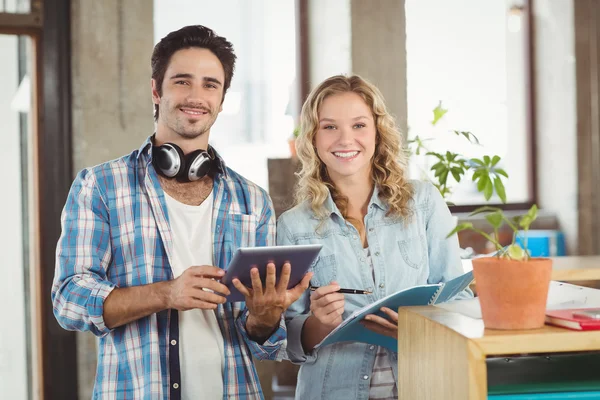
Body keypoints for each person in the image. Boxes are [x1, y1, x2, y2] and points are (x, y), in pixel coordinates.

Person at [51, 25, 311, 400]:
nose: (196, 96)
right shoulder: (101, 186)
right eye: (182, 81)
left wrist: (266, 315)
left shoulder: (252, 201)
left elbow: (264, 343)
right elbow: (69, 300)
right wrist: (166, 294)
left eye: (210, 84)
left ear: (222, 99)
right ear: (156, 90)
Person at [278, 75, 472, 399]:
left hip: (422, 386)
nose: (344, 139)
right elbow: (285, 336)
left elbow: (459, 299)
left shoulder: (423, 203)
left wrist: (417, 331)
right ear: (312, 137)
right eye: (329, 127)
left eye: (358, 125)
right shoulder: (293, 226)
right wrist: (318, 324)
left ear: (377, 132)